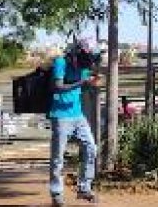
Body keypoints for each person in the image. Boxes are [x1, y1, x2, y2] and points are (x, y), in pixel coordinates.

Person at [49, 38, 103, 206]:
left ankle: (84, 188)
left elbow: (83, 87)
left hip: (78, 115)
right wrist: (82, 82)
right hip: (61, 116)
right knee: (58, 157)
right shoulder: (60, 63)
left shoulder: (84, 67)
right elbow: (58, 86)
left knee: (91, 148)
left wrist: (91, 84)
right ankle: (56, 193)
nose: (86, 65)